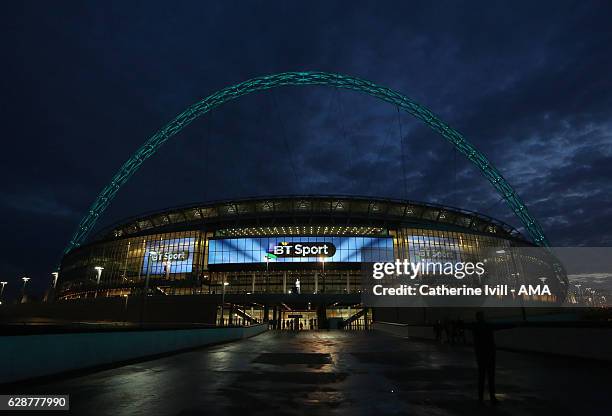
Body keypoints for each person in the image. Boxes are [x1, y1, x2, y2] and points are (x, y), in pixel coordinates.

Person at [472, 311, 497, 404]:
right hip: (490, 355)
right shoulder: (488, 326)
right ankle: (492, 397)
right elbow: (499, 327)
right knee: (491, 377)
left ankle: (481, 398)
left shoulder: (475, 327)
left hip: (481, 356)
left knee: (481, 377)